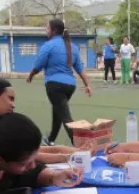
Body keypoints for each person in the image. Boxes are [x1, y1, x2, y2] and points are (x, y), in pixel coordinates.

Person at [27, 18, 92, 146]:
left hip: (55, 85)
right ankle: (51, 139)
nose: (46, 31)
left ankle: (80, 145)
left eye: (47, 28)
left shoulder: (49, 45)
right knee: (58, 110)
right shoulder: (72, 47)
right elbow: (80, 69)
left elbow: (38, 65)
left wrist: (30, 75)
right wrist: (87, 85)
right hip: (70, 86)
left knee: (65, 116)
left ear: (53, 30)